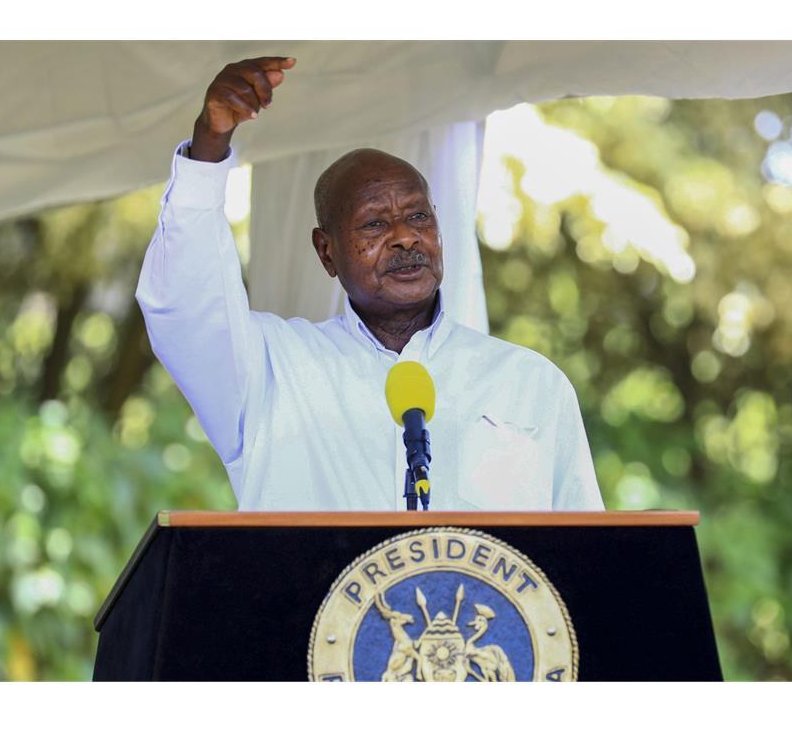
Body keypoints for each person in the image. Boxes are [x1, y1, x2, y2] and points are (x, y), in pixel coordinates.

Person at [136, 56, 604, 511]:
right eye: (375, 225)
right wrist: (209, 146)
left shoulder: (530, 384)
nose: (405, 237)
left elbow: (585, 556)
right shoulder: (271, 369)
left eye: (418, 216)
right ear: (327, 252)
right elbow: (187, 304)